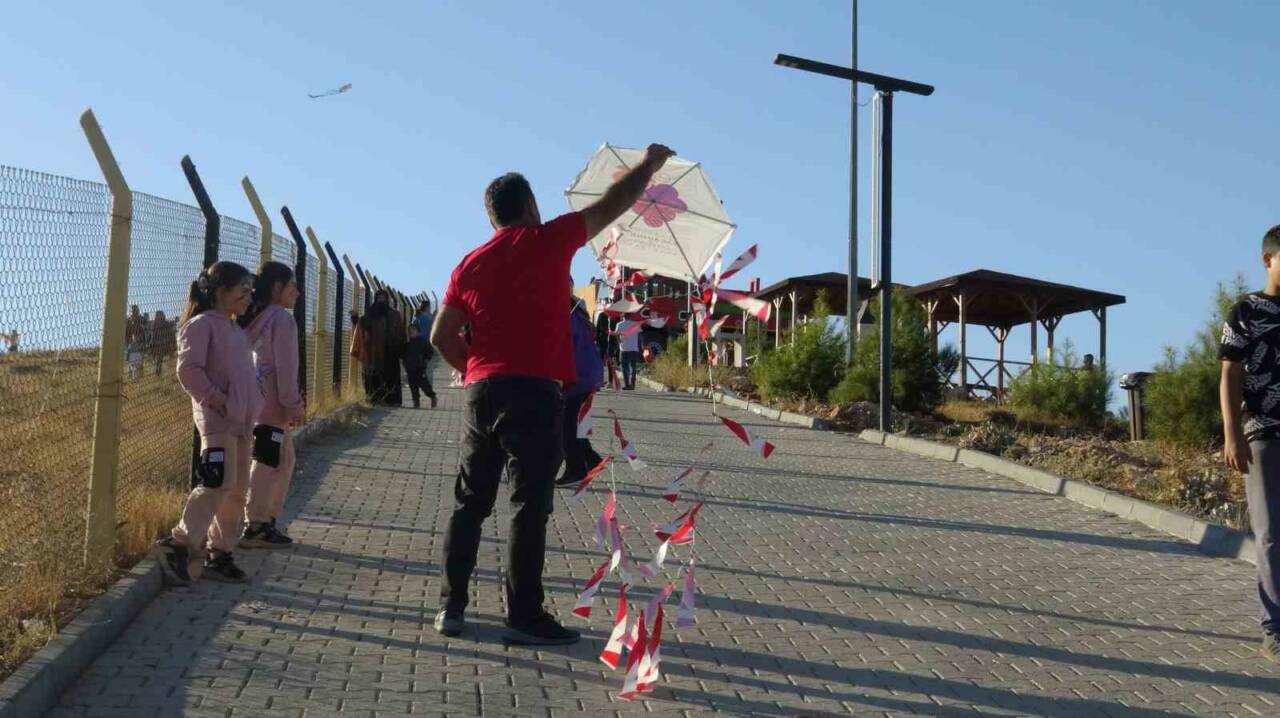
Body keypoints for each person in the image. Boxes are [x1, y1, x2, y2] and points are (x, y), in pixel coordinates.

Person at [430, 142, 675, 645]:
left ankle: (450, 608)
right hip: (535, 394)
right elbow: (613, 202)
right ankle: (523, 615)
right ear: (532, 207)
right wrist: (649, 165)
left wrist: (473, 370)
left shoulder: (469, 263)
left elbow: (440, 335)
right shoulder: (550, 239)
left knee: (470, 502)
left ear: (491, 215)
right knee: (528, 505)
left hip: (483, 393)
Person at [152, 261, 262, 585]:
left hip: (241, 423)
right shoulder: (201, 325)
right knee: (217, 483)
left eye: (250, 290)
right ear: (221, 292)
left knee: (238, 490)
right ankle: (179, 544)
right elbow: (188, 371)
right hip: (217, 420)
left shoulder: (234, 329)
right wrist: (220, 400)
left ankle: (220, 553)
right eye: (242, 289)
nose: (248, 296)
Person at [1221, 223, 1280, 664]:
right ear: (1268, 260)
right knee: (1271, 535)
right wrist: (1232, 433)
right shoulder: (1246, 310)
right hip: (1263, 434)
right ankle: (1274, 628)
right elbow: (1231, 375)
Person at [238, 261, 305, 549]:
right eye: (293, 286)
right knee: (271, 463)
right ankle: (257, 524)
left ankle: (262, 520)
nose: (298, 293)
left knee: (276, 460)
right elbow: (286, 366)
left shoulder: (257, 317)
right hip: (274, 405)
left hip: (254, 402)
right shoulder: (281, 319)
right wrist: (293, 404)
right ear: (278, 288)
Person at [556, 281, 605, 487]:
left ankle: (576, 470)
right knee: (572, 424)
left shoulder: (567, 315)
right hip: (587, 374)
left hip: (579, 376)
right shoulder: (577, 311)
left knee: (566, 426)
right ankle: (593, 461)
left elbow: (563, 350)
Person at [350, 290, 406, 405]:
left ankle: (392, 400)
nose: (381, 301)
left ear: (387, 300)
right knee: (373, 378)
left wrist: (401, 349)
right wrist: (355, 320)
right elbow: (362, 328)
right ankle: (374, 399)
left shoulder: (394, 315)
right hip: (373, 354)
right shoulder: (369, 316)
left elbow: (400, 333)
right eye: (379, 298)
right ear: (375, 299)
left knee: (391, 378)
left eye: (383, 298)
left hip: (390, 353)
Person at [405, 300, 438, 408]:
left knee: (413, 382)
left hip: (414, 360)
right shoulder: (428, 319)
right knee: (426, 378)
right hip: (426, 349)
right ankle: (431, 396)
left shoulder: (416, 318)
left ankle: (418, 400)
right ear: (427, 307)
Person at [616, 316, 641, 390]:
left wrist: (619, 342)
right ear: (630, 316)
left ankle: (627, 385)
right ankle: (632, 384)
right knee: (633, 367)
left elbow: (616, 335)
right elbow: (639, 336)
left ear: (623, 316)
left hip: (624, 349)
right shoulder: (636, 324)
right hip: (634, 349)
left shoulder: (619, 324)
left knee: (624, 368)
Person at [148, 311, 176, 377]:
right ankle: (161, 373)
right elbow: (153, 336)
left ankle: (163, 373)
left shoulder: (157, 324)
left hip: (162, 345)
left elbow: (171, 334)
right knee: (161, 360)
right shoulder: (155, 325)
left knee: (161, 360)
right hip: (162, 345)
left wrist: (151, 345)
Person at [125, 305, 147, 380]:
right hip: (132, 342)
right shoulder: (129, 321)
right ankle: (133, 378)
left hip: (138, 342)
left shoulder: (141, 319)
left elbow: (146, 329)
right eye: (132, 311)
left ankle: (136, 378)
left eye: (134, 311)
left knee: (137, 362)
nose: (133, 312)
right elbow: (126, 333)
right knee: (134, 363)